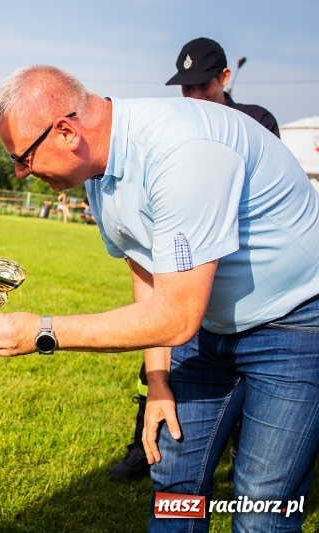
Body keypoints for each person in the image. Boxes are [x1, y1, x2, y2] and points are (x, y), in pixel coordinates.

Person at [0, 65, 319, 532]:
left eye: (23, 157)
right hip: (207, 326)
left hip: (295, 323)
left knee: (261, 503)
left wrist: (43, 331)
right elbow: (147, 274)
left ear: (67, 132)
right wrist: (158, 381)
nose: (20, 172)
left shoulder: (183, 150)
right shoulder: (99, 170)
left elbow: (175, 317)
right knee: (175, 477)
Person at [109, 37, 282, 483]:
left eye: (202, 85)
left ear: (225, 78)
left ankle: (245, 456)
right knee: (162, 363)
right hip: (182, 271)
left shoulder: (257, 122)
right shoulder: (174, 127)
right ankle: (144, 447)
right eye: (185, 87)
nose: (193, 96)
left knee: (251, 381)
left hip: (239, 281)